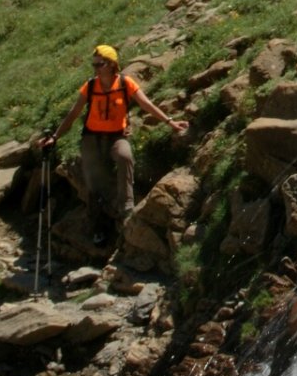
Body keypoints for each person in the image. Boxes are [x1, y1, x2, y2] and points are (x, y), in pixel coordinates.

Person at [40, 45, 188, 247]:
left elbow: (146, 104)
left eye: (99, 64)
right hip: (92, 138)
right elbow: (73, 114)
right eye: (94, 65)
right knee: (94, 182)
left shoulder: (126, 83)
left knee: (125, 156)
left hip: (116, 136)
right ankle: (97, 227)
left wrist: (170, 122)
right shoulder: (90, 86)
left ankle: (126, 207)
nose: (95, 68)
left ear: (111, 64)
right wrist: (55, 137)